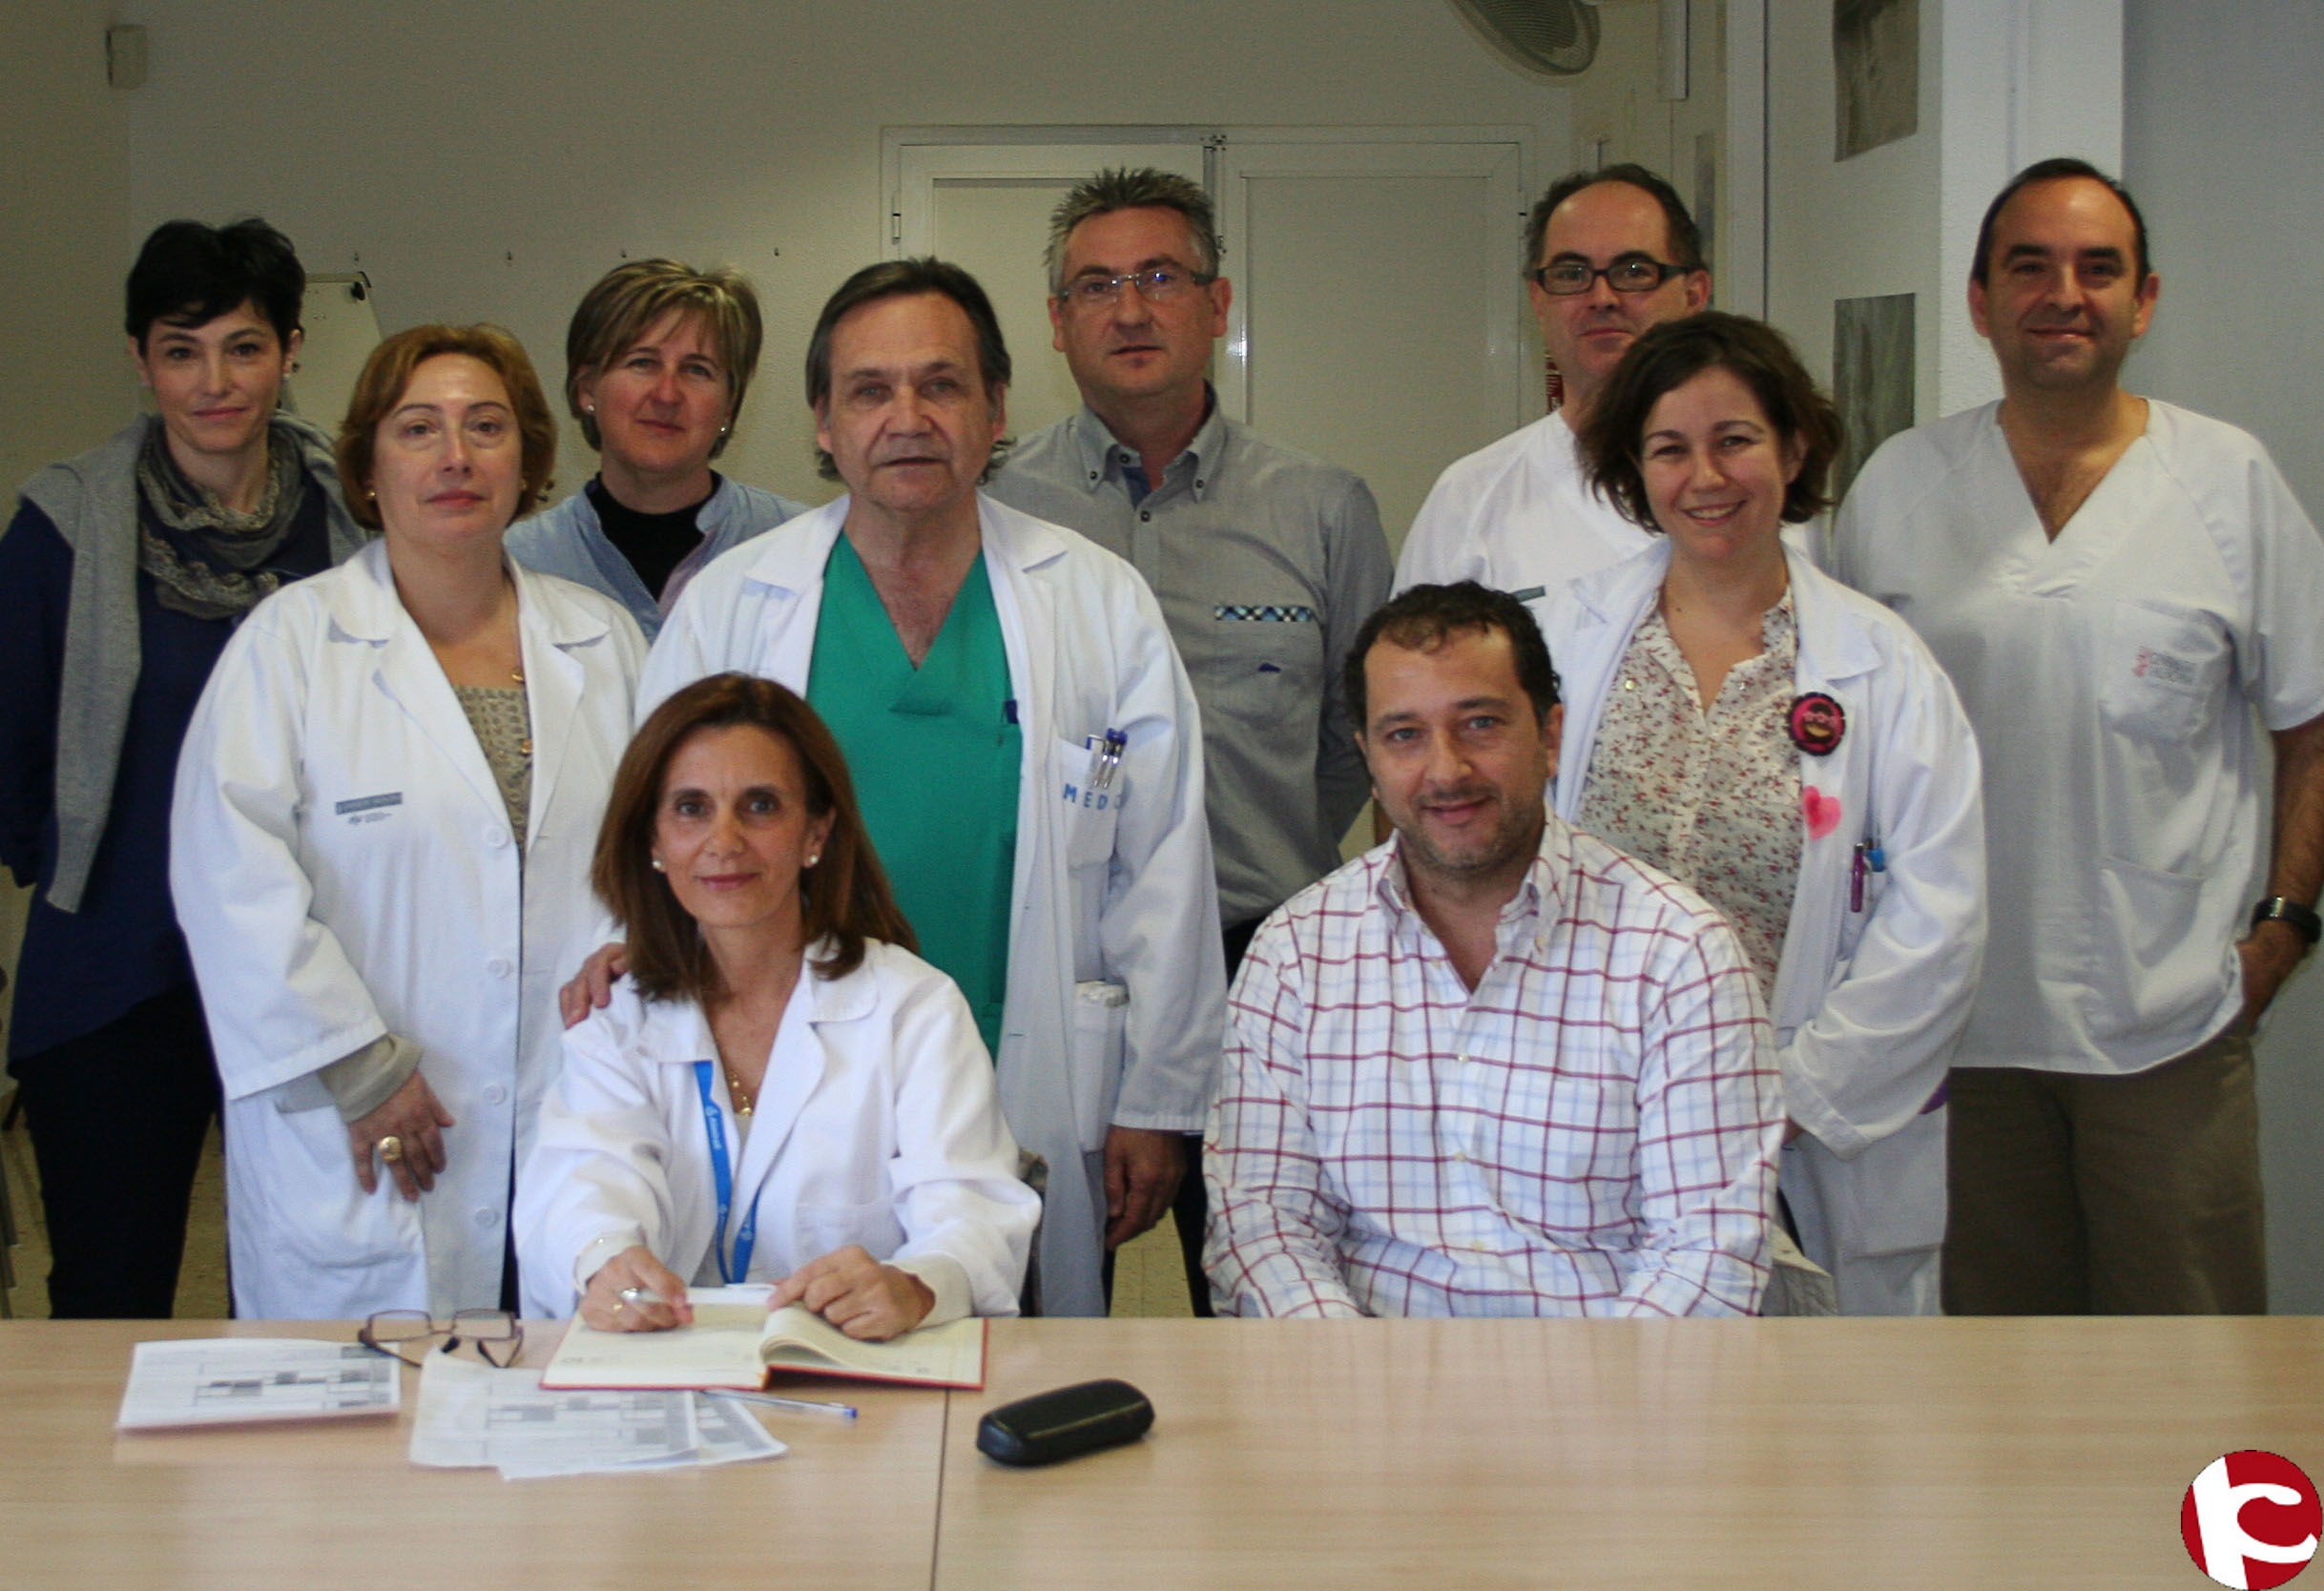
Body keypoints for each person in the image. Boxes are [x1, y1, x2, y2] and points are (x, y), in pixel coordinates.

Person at [621, 258, 1225, 1318]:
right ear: (823, 422)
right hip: (792, 1079)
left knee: (1015, 1353)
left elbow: (1163, 867)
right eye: (870, 390)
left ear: (996, 410)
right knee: (797, 1351)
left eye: (941, 385)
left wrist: (1158, 1099)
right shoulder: (733, 605)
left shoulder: (1096, 599)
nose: (908, 418)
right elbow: (652, 841)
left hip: (1030, 1075)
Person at [1830, 158, 2324, 1314]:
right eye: (2030, 267)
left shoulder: (2228, 482)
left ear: (2143, 301)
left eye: (2098, 269)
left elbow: (2312, 723)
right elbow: (1838, 741)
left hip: (2169, 1030)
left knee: (2197, 1372)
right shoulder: (1901, 488)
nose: (2064, 294)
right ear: (1981, 300)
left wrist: (2283, 932)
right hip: (1953, 1027)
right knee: (1995, 1384)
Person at [171, 323, 646, 1318]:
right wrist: (358, 1069)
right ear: (368, 466)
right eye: (418, 428)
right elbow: (230, 884)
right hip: (364, 1126)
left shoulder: (605, 643)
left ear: (529, 462)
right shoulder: (290, 646)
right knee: (371, 1402)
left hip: (578, 1109)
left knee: (568, 1379)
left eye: (487, 427)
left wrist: (640, 960)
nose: (455, 456)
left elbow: (663, 855)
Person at [986, 168, 1393, 1313]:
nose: (1130, 309)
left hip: (1266, 963)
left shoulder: (1322, 508)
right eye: (1096, 285)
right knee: (1036, 1300)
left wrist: (1265, 855)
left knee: (1273, 1299)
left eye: (1161, 278)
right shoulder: (996, 508)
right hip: (1055, 956)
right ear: (1056, 320)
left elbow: (1359, 744)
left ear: (1217, 305)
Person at [1548, 313, 1986, 1313]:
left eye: (1734, 440)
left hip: (1805, 1128)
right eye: (1670, 448)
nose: (1705, 476)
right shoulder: (1568, 638)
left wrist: (1782, 1098)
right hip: (1598, 1118)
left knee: (1817, 1401)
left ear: (1793, 449)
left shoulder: (1883, 667)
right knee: (1604, 1391)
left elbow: (1941, 917)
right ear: (1636, 469)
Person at [1204, 582, 1783, 1318]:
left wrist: (1597, 1396)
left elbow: (1706, 1254)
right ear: (1369, 759)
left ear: (1550, 736)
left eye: (1479, 724)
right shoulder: (1295, 954)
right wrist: (1351, 1375)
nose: (1446, 770)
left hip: (1611, 1368)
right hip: (1361, 1367)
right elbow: (1262, 1223)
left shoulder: (1680, 956)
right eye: (1404, 735)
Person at [0, 218, 364, 1318]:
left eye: (243, 348)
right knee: (110, 1295)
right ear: (139, 357)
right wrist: (83, 861)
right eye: (181, 350)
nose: (215, 383)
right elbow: (13, 742)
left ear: (290, 350)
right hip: (119, 970)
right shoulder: (62, 525)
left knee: (320, 1283)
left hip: (311, 968)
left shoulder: (351, 520)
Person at [517, 673, 1039, 1333]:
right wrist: (604, 1261)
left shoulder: (916, 1010)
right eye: (691, 808)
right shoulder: (617, 1016)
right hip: (664, 1364)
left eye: (760, 806)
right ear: (652, 840)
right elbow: (586, 1180)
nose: (724, 841)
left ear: (816, 832)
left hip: (863, 1370)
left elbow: (970, 1211)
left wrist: (915, 1285)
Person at [1394, 165, 1712, 617]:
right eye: (1571, 274)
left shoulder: (1758, 492)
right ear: (1538, 300)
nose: (1602, 297)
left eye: (1633, 271)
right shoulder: (1469, 502)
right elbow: (1414, 661)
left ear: (1695, 293)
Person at [506, 258, 809, 639]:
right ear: (586, 389)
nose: (667, 394)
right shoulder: (519, 562)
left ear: (729, 407)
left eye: (697, 370)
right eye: (643, 363)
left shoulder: (802, 549)